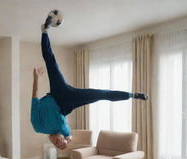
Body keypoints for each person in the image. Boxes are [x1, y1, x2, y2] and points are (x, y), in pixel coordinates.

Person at [31, 14, 148, 150]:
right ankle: (132, 95)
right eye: (60, 142)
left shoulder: (37, 126)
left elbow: (35, 95)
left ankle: (44, 30)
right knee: (99, 94)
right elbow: (70, 137)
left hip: (57, 92)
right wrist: (67, 140)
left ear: (51, 141)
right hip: (68, 102)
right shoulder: (65, 131)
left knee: (51, 62)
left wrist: (36, 78)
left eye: (56, 143)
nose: (57, 141)